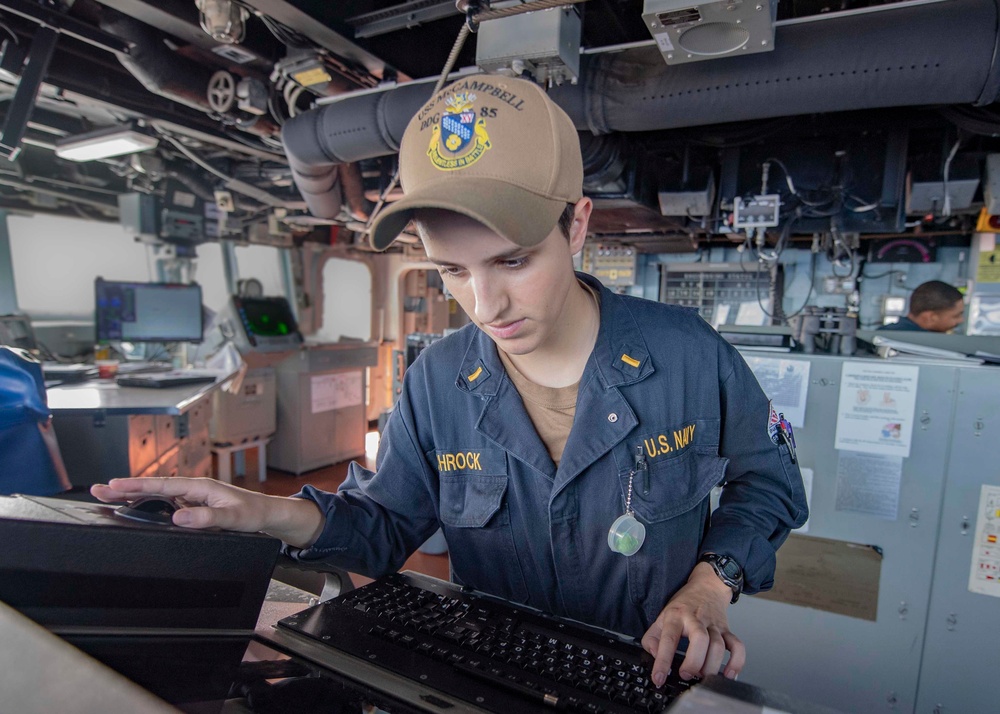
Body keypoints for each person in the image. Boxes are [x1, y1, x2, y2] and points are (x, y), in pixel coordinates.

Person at [92, 76, 807, 688]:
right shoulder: (438, 378)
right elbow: (383, 523)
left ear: (578, 224)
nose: (484, 305)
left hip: (647, 675)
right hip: (490, 679)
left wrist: (710, 585)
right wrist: (257, 513)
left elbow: (770, 482)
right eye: (451, 272)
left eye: (513, 261)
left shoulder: (689, 356)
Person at [877, 280, 964, 333]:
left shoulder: (883, 334)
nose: (961, 320)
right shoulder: (927, 346)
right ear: (930, 317)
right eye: (956, 316)